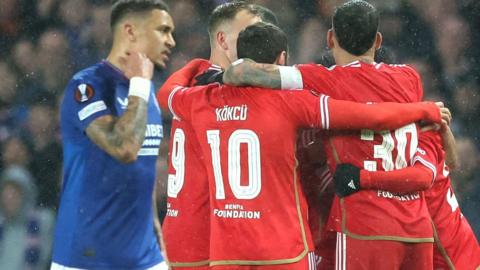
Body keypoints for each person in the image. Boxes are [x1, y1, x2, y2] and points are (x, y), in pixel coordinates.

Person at [163, 22, 448, 269]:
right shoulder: (292, 103)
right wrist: (421, 110)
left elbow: (168, 94)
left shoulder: (203, 100)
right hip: (284, 248)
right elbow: (369, 115)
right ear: (282, 58)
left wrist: (195, 67)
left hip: (228, 250)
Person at [52, 1, 175, 269]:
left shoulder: (145, 90)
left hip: (145, 257)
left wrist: (158, 240)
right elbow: (125, 148)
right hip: (87, 258)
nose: (171, 41)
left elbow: (144, 170)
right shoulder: (88, 85)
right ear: (130, 31)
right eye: (163, 30)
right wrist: (141, 84)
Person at [158, 2, 277, 268]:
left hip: (185, 232)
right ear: (222, 40)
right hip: (208, 235)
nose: (257, 41)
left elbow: (166, 94)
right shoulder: (229, 93)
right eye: (249, 33)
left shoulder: (193, 81)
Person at [0, 165, 55, 270]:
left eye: (15, 193)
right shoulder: (2, 223)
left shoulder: (43, 222)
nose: (9, 199)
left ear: (26, 195)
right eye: (6, 193)